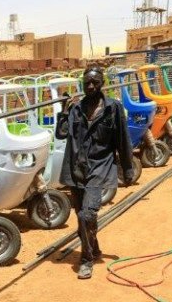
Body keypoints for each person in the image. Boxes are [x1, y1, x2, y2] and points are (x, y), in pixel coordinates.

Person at [55, 67, 135, 278]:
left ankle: (86, 259)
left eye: (95, 82)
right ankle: (94, 245)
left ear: (102, 83)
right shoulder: (75, 109)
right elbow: (61, 133)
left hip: (101, 167)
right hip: (76, 170)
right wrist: (63, 110)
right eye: (87, 82)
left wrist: (127, 170)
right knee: (83, 217)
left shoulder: (113, 108)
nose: (91, 86)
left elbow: (123, 140)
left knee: (87, 213)